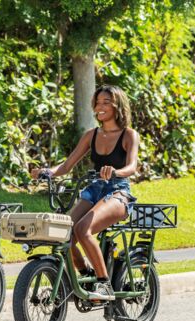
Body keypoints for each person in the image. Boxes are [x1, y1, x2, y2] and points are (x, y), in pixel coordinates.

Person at [31, 85, 139, 301]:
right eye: (97, 103)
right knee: (63, 232)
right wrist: (47, 172)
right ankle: (85, 275)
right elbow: (67, 165)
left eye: (106, 102)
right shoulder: (91, 135)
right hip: (94, 190)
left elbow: (132, 167)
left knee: (83, 229)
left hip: (118, 192)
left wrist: (115, 172)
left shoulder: (129, 135)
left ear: (117, 105)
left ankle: (104, 284)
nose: (100, 107)